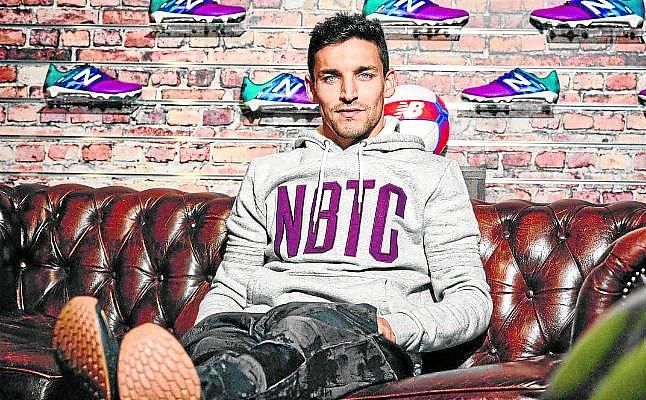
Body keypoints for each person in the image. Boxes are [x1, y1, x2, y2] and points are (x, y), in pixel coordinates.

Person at [52, 13, 493, 400]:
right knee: (216, 343)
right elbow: (232, 282)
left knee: (301, 330)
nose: (348, 93)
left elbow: (470, 299)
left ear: (388, 83)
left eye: (364, 75)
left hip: (361, 333)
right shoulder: (268, 173)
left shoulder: (433, 174)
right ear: (312, 87)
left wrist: (394, 327)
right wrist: (211, 328)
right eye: (330, 77)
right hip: (255, 323)